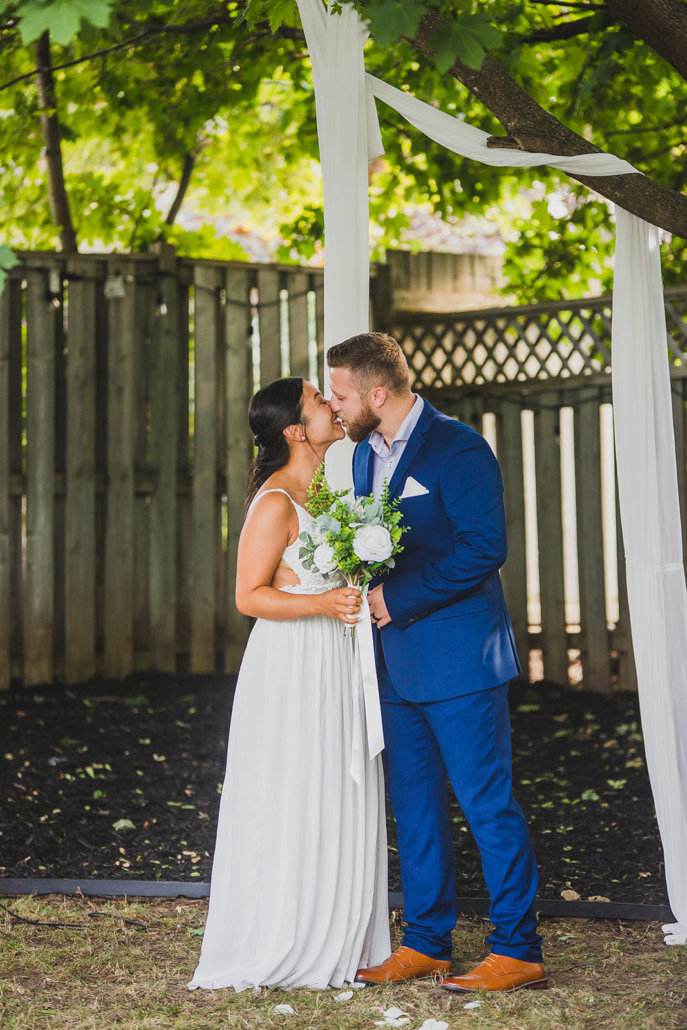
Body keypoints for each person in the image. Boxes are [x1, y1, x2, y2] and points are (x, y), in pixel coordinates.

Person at [327, 332, 546, 994]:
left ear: (376, 393)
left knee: (486, 805)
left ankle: (518, 948)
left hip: (460, 661)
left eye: (339, 394)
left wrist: (397, 595)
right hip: (392, 662)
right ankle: (426, 942)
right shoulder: (364, 454)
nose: (334, 406)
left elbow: (486, 547)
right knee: (414, 807)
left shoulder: (459, 448)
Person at [188, 376, 390, 992]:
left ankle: (342, 930)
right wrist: (323, 603)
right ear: (295, 431)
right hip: (293, 663)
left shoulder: (331, 493)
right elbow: (249, 597)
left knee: (336, 784)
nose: (333, 404)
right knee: (295, 786)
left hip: (336, 658)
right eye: (317, 400)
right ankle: (288, 934)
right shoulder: (276, 502)